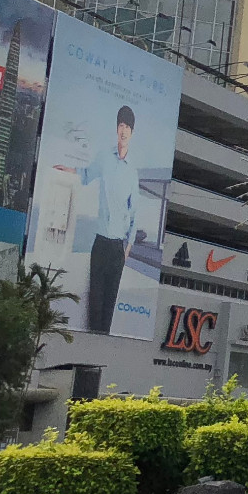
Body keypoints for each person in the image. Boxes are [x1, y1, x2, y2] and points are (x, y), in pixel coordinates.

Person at [76, 106, 138, 335]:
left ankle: (100, 354)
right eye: (121, 125)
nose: (124, 130)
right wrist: (68, 171)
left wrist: (127, 248)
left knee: (109, 307)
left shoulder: (132, 172)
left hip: (117, 248)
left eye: (128, 127)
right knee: (95, 304)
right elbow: (86, 175)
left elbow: (134, 213)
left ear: (132, 132)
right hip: (101, 242)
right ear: (116, 128)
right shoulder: (104, 157)